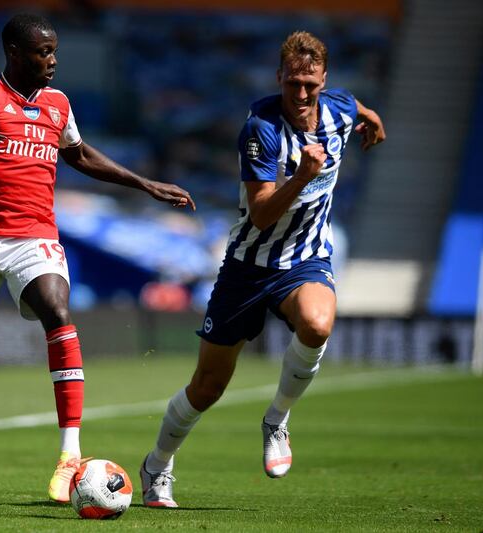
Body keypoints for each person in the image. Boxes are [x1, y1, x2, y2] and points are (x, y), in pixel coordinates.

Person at [0, 13, 195, 504]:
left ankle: (70, 455)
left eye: (54, 51)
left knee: (58, 311)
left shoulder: (58, 103)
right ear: (13, 53)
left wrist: (145, 184)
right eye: (43, 52)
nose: (52, 60)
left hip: (34, 236)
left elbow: (81, 155)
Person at [138, 31, 386, 507]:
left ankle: (277, 419)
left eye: (310, 84)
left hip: (305, 259)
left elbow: (355, 107)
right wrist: (304, 176)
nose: (301, 94)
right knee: (208, 387)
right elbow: (263, 214)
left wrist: (373, 119)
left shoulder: (336, 106)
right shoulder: (261, 128)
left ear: (324, 80)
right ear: (279, 78)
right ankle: (157, 464)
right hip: (248, 267)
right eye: (292, 83)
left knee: (317, 323)